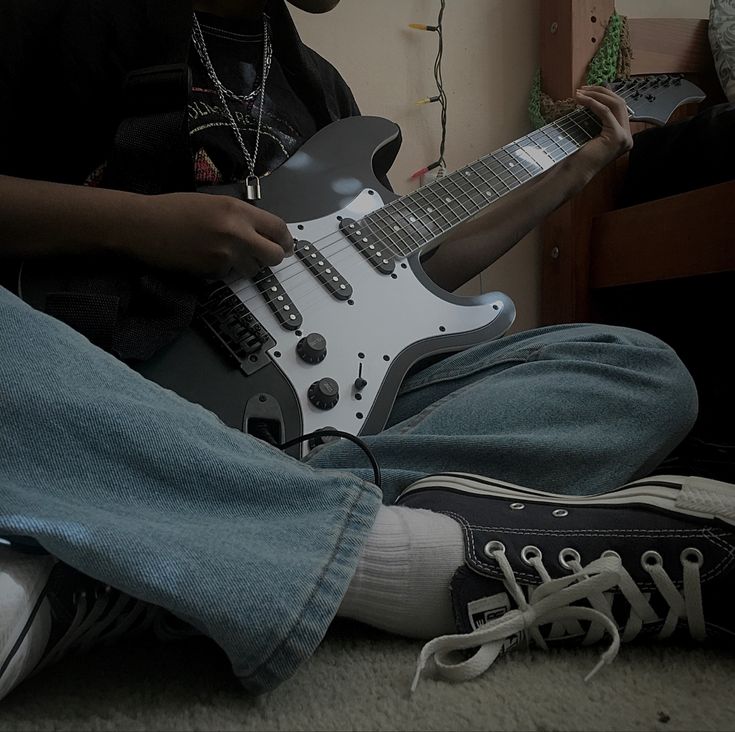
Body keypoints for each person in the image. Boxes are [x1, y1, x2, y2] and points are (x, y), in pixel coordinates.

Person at [1, 0, 733, 704]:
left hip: (308, 428)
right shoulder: (51, 18)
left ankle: (158, 535)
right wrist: (135, 224)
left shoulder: (318, 88)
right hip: (87, 377)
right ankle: (371, 553)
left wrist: (570, 173)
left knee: (637, 371)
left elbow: (403, 287)